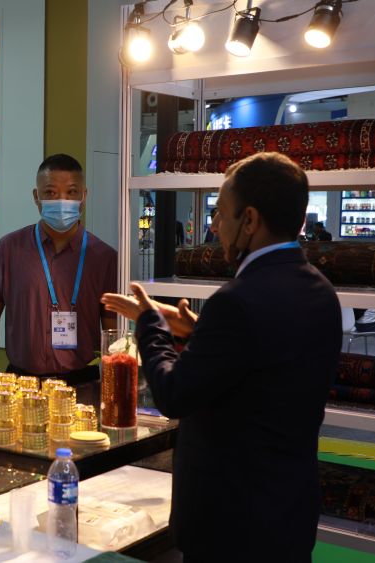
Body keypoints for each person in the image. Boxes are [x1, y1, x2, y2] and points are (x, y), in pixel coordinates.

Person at [102, 152, 341, 562]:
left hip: (232, 526)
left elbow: (174, 393)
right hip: (288, 514)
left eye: (220, 212)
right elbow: (263, 363)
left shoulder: (238, 301)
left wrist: (150, 325)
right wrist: (198, 330)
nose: (214, 225)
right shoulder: (321, 291)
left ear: (249, 220)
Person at [0, 154, 117, 403]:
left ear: (84, 196)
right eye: (50, 193)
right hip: (21, 385)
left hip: (82, 386)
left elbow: (112, 330)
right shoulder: (9, 249)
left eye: (71, 192)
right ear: (36, 196)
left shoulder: (104, 257)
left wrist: (114, 390)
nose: (62, 201)